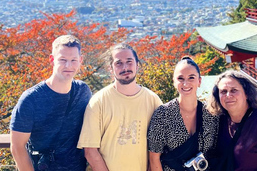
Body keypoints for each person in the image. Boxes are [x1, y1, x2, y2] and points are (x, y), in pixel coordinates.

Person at [10, 35, 92, 171]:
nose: (68, 66)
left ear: (80, 61)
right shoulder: (31, 98)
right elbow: (17, 146)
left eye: (73, 60)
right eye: (63, 60)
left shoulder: (82, 91)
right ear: (52, 60)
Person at [77, 43, 162, 171]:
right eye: (118, 63)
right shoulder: (98, 102)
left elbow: (160, 146)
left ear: (137, 64)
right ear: (111, 68)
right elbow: (90, 151)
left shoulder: (153, 100)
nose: (125, 67)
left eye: (129, 62)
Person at [147, 56, 219, 171]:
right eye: (180, 78)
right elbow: (154, 158)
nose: (185, 84)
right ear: (174, 82)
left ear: (199, 81)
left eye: (191, 78)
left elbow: (215, 152)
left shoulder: (210, 113)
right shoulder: (163, 114)